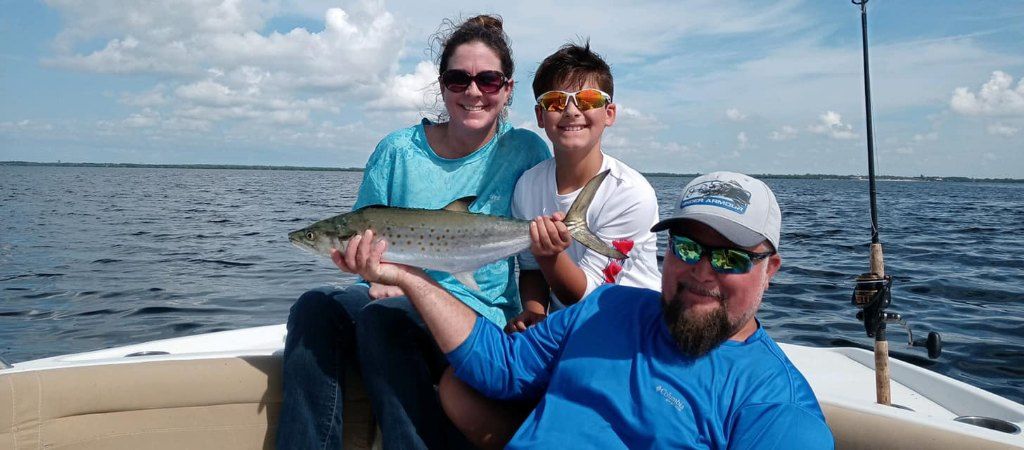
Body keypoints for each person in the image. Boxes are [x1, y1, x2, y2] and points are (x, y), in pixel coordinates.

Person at [335, 171, 835, 448]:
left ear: (771, 270)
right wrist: (409, 276)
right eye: (686, 248)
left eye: (729, 257)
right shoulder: (608, 307)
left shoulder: (775, 406)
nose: (702, 270)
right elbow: (500, 369)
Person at [275, 15, 551, 450]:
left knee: (383, 322)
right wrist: (370, 275)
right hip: (396, 301)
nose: (473, 91)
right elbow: (369, 261)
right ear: (442, 86)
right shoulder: (396, 151)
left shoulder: (526, 151)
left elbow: (537, 257)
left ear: (508, 88)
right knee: (315, 308)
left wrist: (534, 308)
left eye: (489, 80)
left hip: (476, 315)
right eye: (458, 80)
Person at [437, 42, 663, 448]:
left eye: (589, 99)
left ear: (609, 113)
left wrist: (550, 256)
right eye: (556, 101)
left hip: (627, 338)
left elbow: (587, 302)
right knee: (459, 383)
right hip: (560, 332)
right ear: (541, 117)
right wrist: (533, 311)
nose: (572, 110)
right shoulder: (530, 184)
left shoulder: (631, 194)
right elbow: (529, 269)